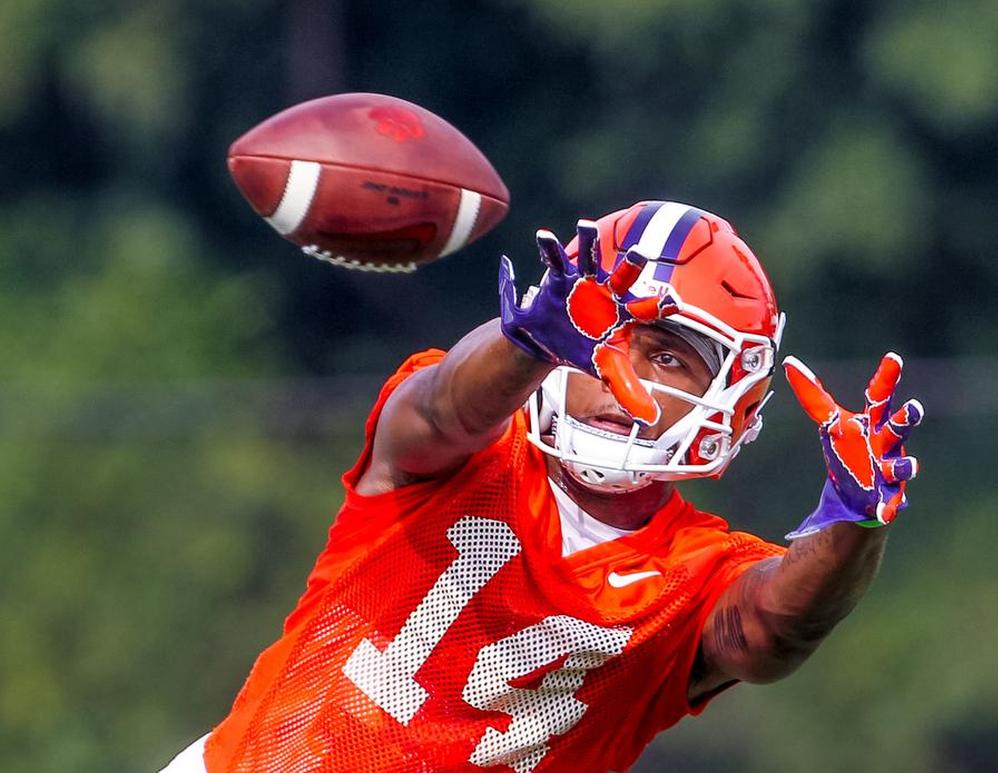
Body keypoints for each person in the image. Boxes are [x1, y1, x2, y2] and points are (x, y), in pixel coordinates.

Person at [162, 200, 923, 772]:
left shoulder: (692, 576)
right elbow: (439, 407)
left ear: (735, 404)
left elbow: (772, 630)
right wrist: (527, 338)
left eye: (665, 356)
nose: (614, 372)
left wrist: (855, 521)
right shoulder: (470, 447)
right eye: (603, 331)